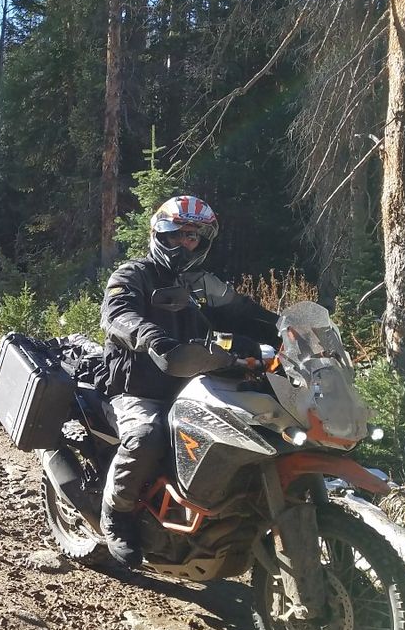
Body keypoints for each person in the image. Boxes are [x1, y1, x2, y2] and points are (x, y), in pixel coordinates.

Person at [98, 195, 279, 566]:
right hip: (138, 387)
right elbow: (117, 314)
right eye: (179, 234)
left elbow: (246, 313)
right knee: (147, 436)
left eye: (194, 237)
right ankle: (116, 512)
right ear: (160, 233)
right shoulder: (133, 275)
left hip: (193, 381)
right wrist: (149, 336)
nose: (186, 243)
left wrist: (290, 332)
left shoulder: (202, 283)